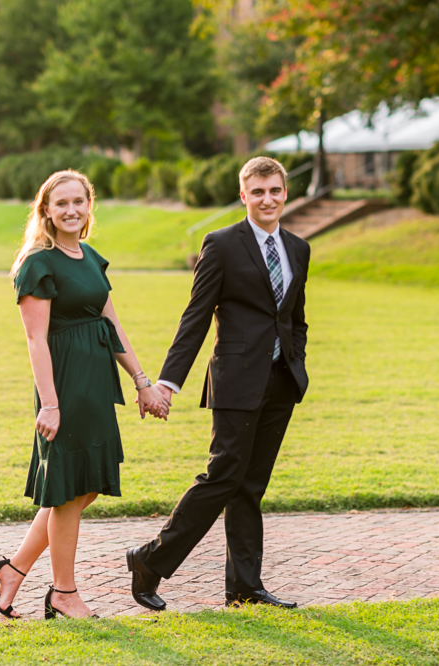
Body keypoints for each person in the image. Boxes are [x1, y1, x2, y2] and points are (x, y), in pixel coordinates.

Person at [0, 170, 169, 620]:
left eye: (78, 201)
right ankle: (64, 593)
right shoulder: (37, 264)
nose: (70, 210)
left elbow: (112, 324)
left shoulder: (90, 257)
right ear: (45, 209)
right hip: (63, 384)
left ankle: (13, 570)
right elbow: (35, 340)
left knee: (84, 490)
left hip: (97, 383)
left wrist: (143, 382)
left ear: (89, 205)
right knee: (67, 491)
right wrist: (50, 402)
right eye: (60, 203)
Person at [128, 156, 310, 611]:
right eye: (258, 192)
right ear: (243, 195)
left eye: (275, 191)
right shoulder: (223, 244)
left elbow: (295, 318)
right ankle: (150, 560)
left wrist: (297, 361)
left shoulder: (299, 249)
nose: (267, 199)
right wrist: (168, 382)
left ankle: (244, 587)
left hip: (280, 383)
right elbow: (196, 316)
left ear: (285, 193)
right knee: (223, 477)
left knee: (251, 486)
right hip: (234, 381)